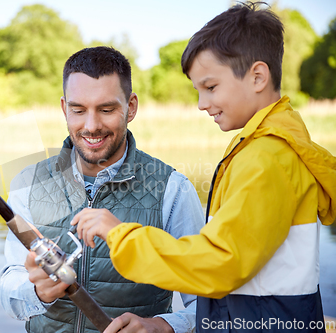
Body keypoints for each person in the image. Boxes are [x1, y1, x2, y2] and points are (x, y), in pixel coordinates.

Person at [71, 3, 336, 333]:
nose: (201, 103)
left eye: (210, 87)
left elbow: (219, 261)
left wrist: (120, 235)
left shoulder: (267, 157)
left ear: (257, 76)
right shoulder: (262, 147)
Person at [0, 46, 205, 333]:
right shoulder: (27, 184)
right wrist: (36, 292)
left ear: (130, 107)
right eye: (78, 110)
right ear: (64, 109)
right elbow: (9, 290)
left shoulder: (174, 190)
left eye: (106, 109)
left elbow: (208, 304)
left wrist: (163, 326)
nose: (91, 125)